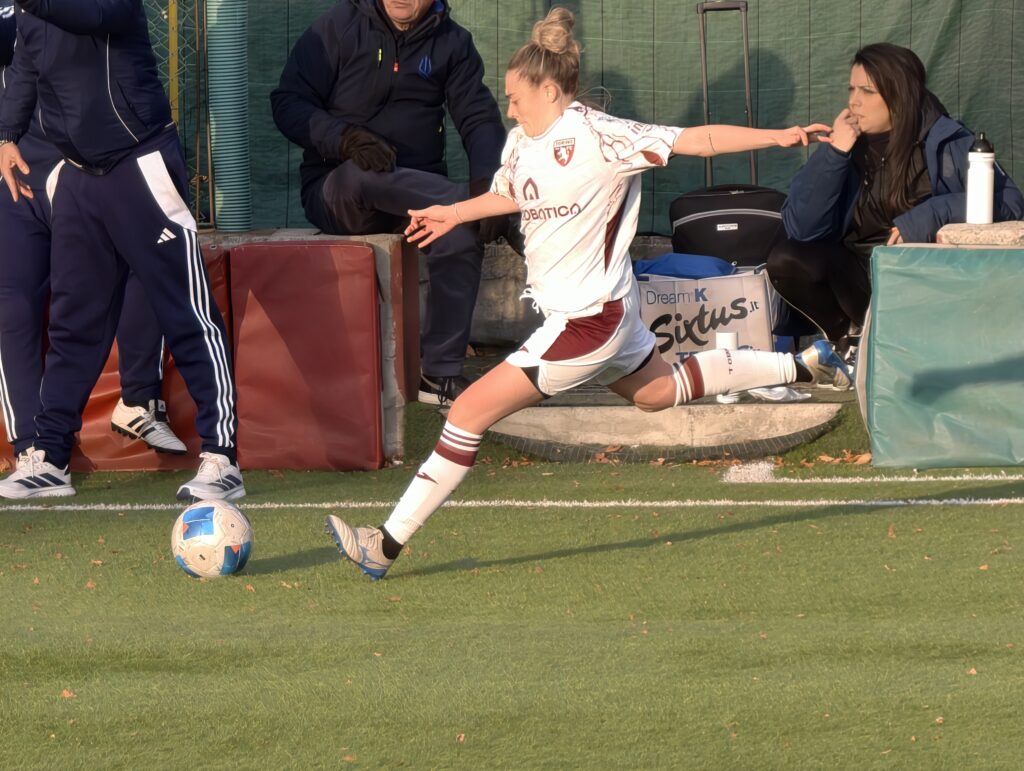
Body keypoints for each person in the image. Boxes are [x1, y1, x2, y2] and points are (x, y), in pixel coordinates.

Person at [323, 7, 837, 580]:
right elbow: (509, 195)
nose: (509, 108)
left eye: (516, 97)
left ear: (549, 91)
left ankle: (383, 545)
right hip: (600, 315)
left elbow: (697, 139)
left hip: (588, 322)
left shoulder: (601, 135)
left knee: (465, 413)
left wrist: (782, 135)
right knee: (657, 393)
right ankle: (801, 366)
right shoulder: (520, 142)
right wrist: (453, 212)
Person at [0, 0, 243, 501]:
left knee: (185, 310)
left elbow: (89, 16)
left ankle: (222, 458)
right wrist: (7, 134)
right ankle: (49, 458)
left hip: (141, 160)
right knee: (75, 324)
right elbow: (27, 60)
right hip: (78, 176)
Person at [270, 0, 513, 406]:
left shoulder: (453, 41)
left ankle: (440, 375)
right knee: (372, 176)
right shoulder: (336, 27)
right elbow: (288, 103)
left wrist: (488, 178)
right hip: (339, 190)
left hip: (417, 198)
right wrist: (344, 138)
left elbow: (478, 117)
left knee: (458, 231)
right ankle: (511, 212)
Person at [768, 42, 1024, 358]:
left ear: (899, 94)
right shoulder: (844, 145)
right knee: (787, 258)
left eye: (867, 91)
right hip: (857, 280)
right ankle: (848, 342)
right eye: (851, 89)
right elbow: (802, 228)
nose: (854, 101)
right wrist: (834, 154)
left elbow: (1011, 204)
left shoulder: (949, 141)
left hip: (923, 281)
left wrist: (929, 216)